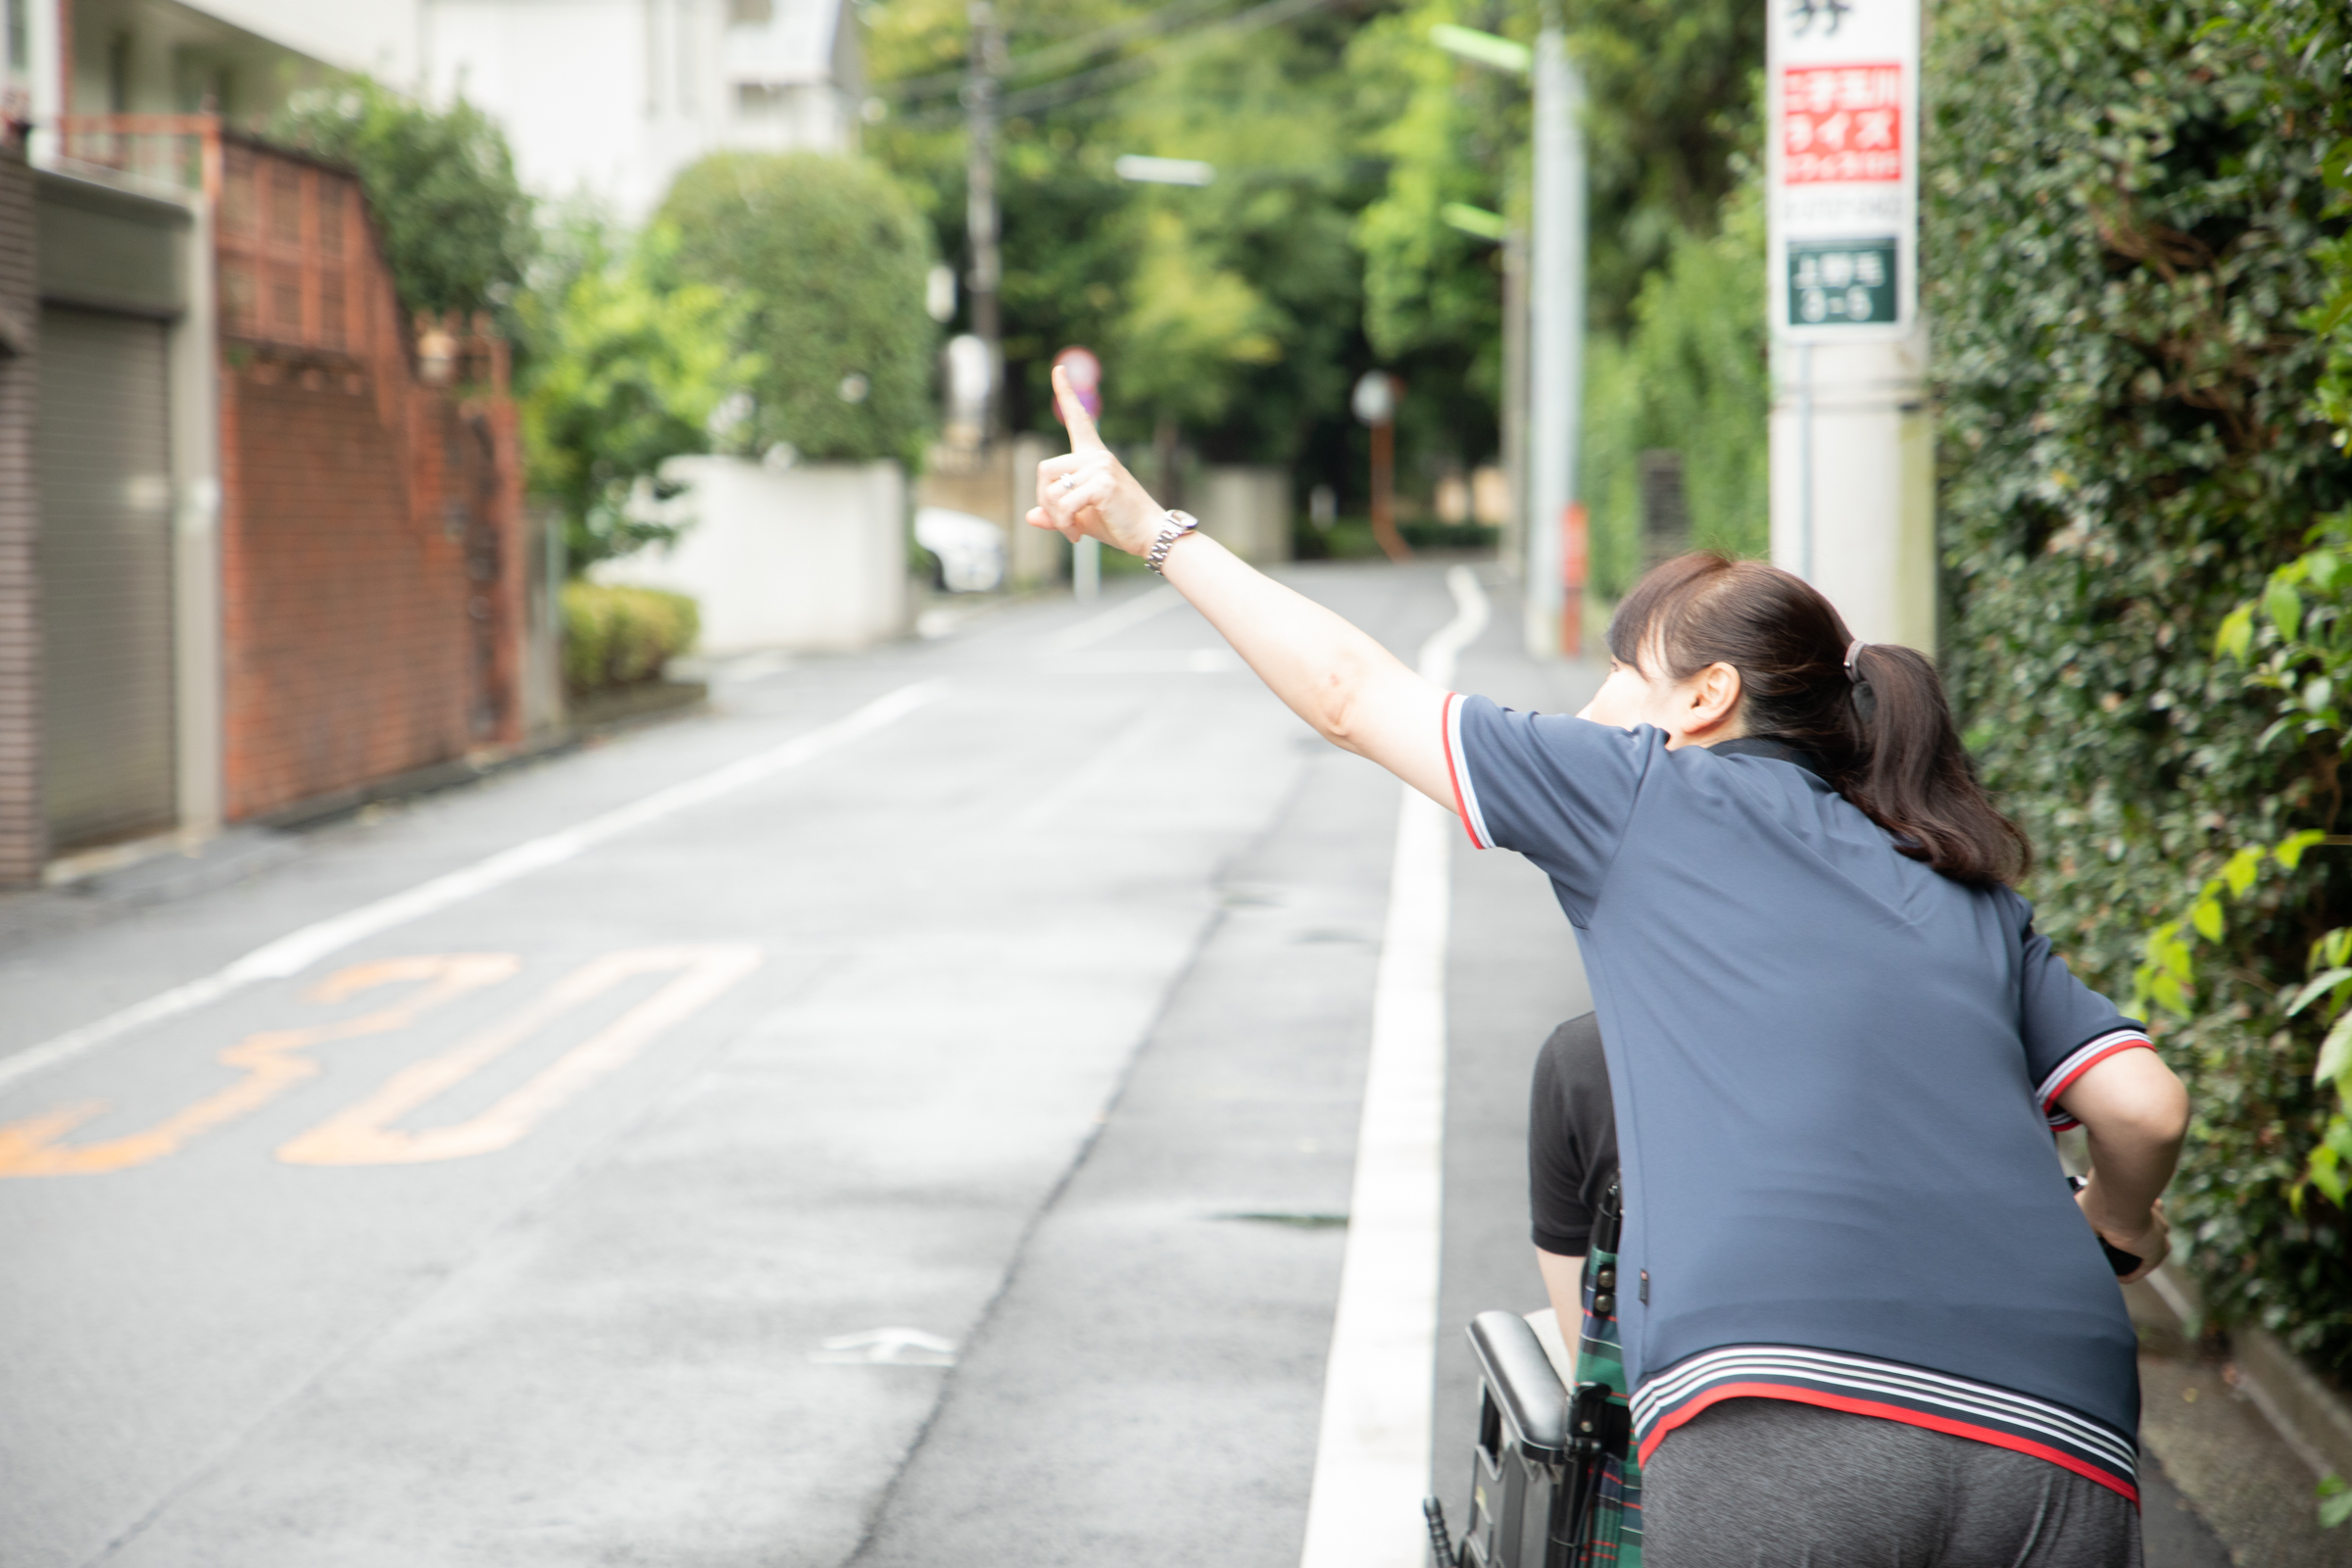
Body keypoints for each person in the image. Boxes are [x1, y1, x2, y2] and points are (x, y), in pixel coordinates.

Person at [1028, 367, 2187, 1567]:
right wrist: (2111, 1222)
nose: (1589, 703)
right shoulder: (1962, 887)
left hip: (1785, 1400)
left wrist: (1150, 528)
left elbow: (1348, 691)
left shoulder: (1642, 788)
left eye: (1620, 672)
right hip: (2068, 1422)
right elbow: (2145, 1103)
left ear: (1704, 698)